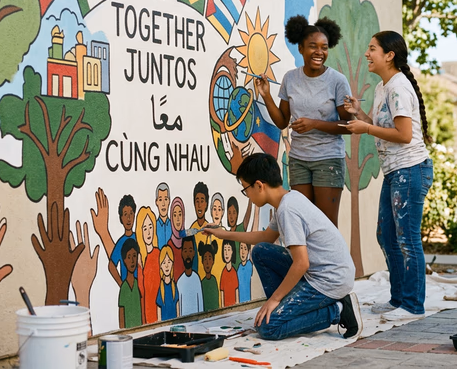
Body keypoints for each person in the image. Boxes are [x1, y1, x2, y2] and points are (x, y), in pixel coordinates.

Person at [202, 153, 362, 340]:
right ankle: (285, 311)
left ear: (259, 185)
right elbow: (265, 237)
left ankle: (338, 310)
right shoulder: (288, 200)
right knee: (262, 252)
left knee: (268, 328)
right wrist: (223, 233)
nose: (247, 195)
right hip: (323, 272)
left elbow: (301, 263)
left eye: (246, 189)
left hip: (329, 280)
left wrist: (275, 299)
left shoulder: (288, 210)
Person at [343, 31, 433, 322]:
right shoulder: (383, 87)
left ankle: (413, 305)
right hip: (395, 172)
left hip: (410, 170)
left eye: (372, 49)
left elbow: (404, 135)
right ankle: (399, 299)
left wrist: (365, 129)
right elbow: (385, 127)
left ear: (389, 55)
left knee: (407, 238)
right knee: (386, 235)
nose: (367, 54)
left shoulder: (397, 88)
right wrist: (361, 115)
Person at [256, 15, 351, 226]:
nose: (319, 52)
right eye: (312, 46)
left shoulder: (337, 80)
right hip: (299, 160)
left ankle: (328, 261)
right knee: (302, 222)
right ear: (300, 48)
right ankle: (305, 261)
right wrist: (266, 95)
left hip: (328, 160)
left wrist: (315, 123)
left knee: (325, 225)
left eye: (324, 47)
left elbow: (349, 125)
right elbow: (282, 122)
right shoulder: (290, 78)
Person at [135, 207, 159, 324]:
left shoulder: (157, 254)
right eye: (145, 228)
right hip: (144, 316)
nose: (148, 232)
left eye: (150, 227)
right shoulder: (139, 260)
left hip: (156, 313)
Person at [118, 238, 142, 328]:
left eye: (134, 256)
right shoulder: (124, 288)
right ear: (124, 260)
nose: (132, 260)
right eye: (129, 257)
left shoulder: (139, 284)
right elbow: (121, 316)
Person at [176, 236, 203, 316]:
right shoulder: (179, 282)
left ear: (194, 253)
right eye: (185, 251)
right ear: (182, 253)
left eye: (190, 250)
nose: (188, 254)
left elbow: (201, 306)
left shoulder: (197, 279)